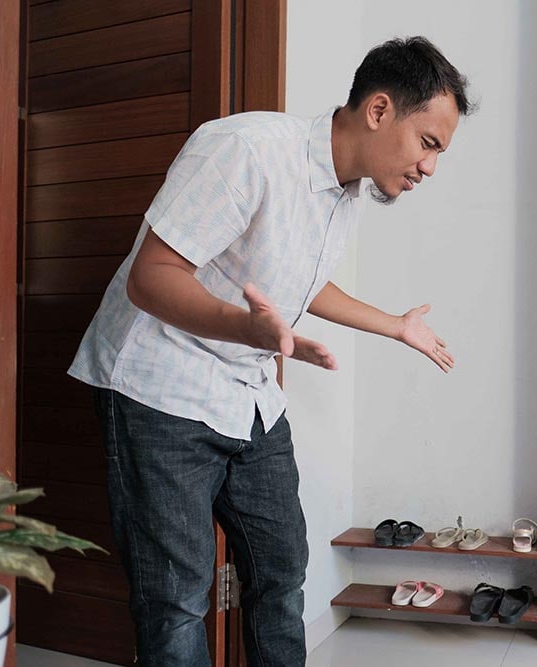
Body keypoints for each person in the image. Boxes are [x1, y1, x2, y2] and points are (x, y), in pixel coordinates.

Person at [68, 36, 473, 666]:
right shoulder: (246, 149)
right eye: (428, 143)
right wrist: (248, 328)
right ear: (379, 109)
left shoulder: (345, 192)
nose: (430, 167)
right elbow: (151, 277)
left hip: (248, 395)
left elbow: (302, 279)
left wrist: (393, 325)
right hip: (159, 386)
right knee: (176, 599)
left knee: (282, 573)